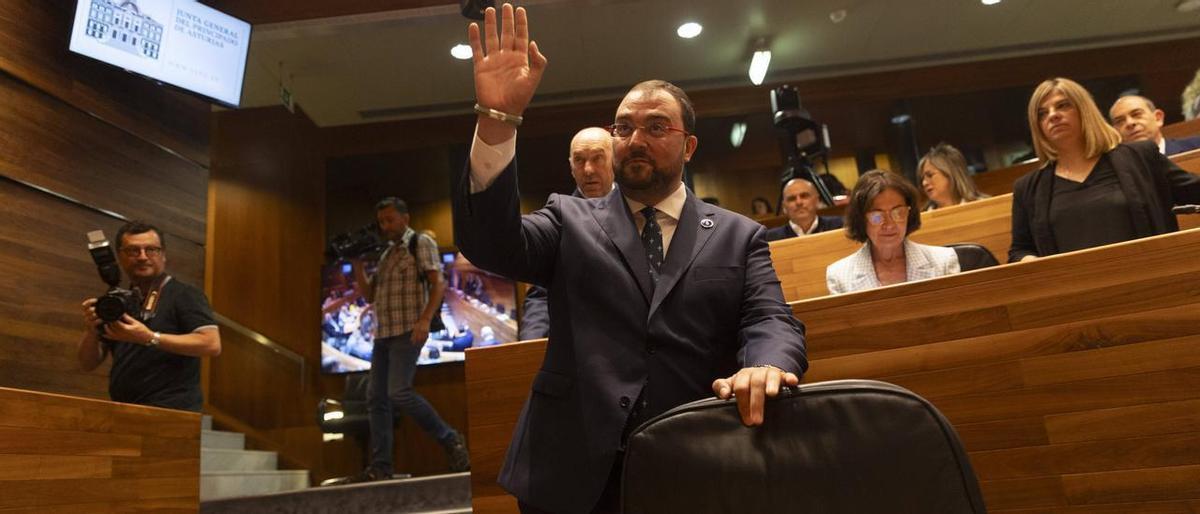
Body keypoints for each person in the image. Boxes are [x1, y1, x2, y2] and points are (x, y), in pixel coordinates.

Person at [454, 6, 807, 513]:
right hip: (571, 472)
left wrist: (767, 364)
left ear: (689, 146)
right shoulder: (569, 218)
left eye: (656, 127)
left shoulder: (739, 235)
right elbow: (491, 243)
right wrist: (497, 122)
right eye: (623, 128)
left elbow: (769, 318)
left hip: (694, 465)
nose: (636, 140)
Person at [342, 197, 469, 483]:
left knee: (398, 392)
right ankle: (381, 467)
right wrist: (357, 265)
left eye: (390, 220)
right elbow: (370, 296)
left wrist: (424, 319)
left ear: (405, 218)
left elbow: (438, 283)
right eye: (381, 221)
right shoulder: (386, 254)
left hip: (407, 331)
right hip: (383, 335)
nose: (385, 226)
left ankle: (450, 438)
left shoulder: (420, 242)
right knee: (376, 398)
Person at [1009, 78, 1200, 262]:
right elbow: (1020, 250)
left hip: (1150, 274)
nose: (1052, 115)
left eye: (1063, 105)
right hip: (1078, 283)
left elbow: (1195, 191)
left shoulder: (1140, 157)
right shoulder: (1028, 188)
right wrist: (1029, 260)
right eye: (1042, 113)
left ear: (1085, 110)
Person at [78, 221, 221, 411]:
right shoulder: (117, 302)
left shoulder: (184, 294)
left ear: (163, 255)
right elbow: (87, 364)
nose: (143, 257)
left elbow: (211, 344)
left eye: (151, 250)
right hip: (125, 410)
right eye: (133, 251)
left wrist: (149, 337)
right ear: (120, 256)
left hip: (173, 412)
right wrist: (91, 330)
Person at [519, 127, 615, 340]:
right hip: (582, 346)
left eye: (597, 158)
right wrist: (530, 344)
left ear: (615, 160)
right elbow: (541, 295)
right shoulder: (557, 219)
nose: (588, 170)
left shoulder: (639, 208)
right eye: (579, 160)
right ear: (571, 167)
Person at [826, 170, 960, 294]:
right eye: (877, 216)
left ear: (909, 214)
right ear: (861, 219)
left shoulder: (943, 262)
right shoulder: (839, 276)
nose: (889, 225)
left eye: (898, 212)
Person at [1108, 95, 1200, 155]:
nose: (1129, 123)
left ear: (1158, 118)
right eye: (1120, 121)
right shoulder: (1117, 169)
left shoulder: (1195, 147)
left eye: (1136, 114)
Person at [765, 178, 844, 241]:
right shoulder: (770, 239)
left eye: (804, 196)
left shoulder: (841, 226)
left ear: (817, 200)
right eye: (792, 199)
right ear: (784, 206)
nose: (799, 202)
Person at [918, 142, 989, 211]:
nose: (924, 183)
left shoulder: (985, 206)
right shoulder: (920, 217)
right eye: (922, 179)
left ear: (951, 174)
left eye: (930, 175)